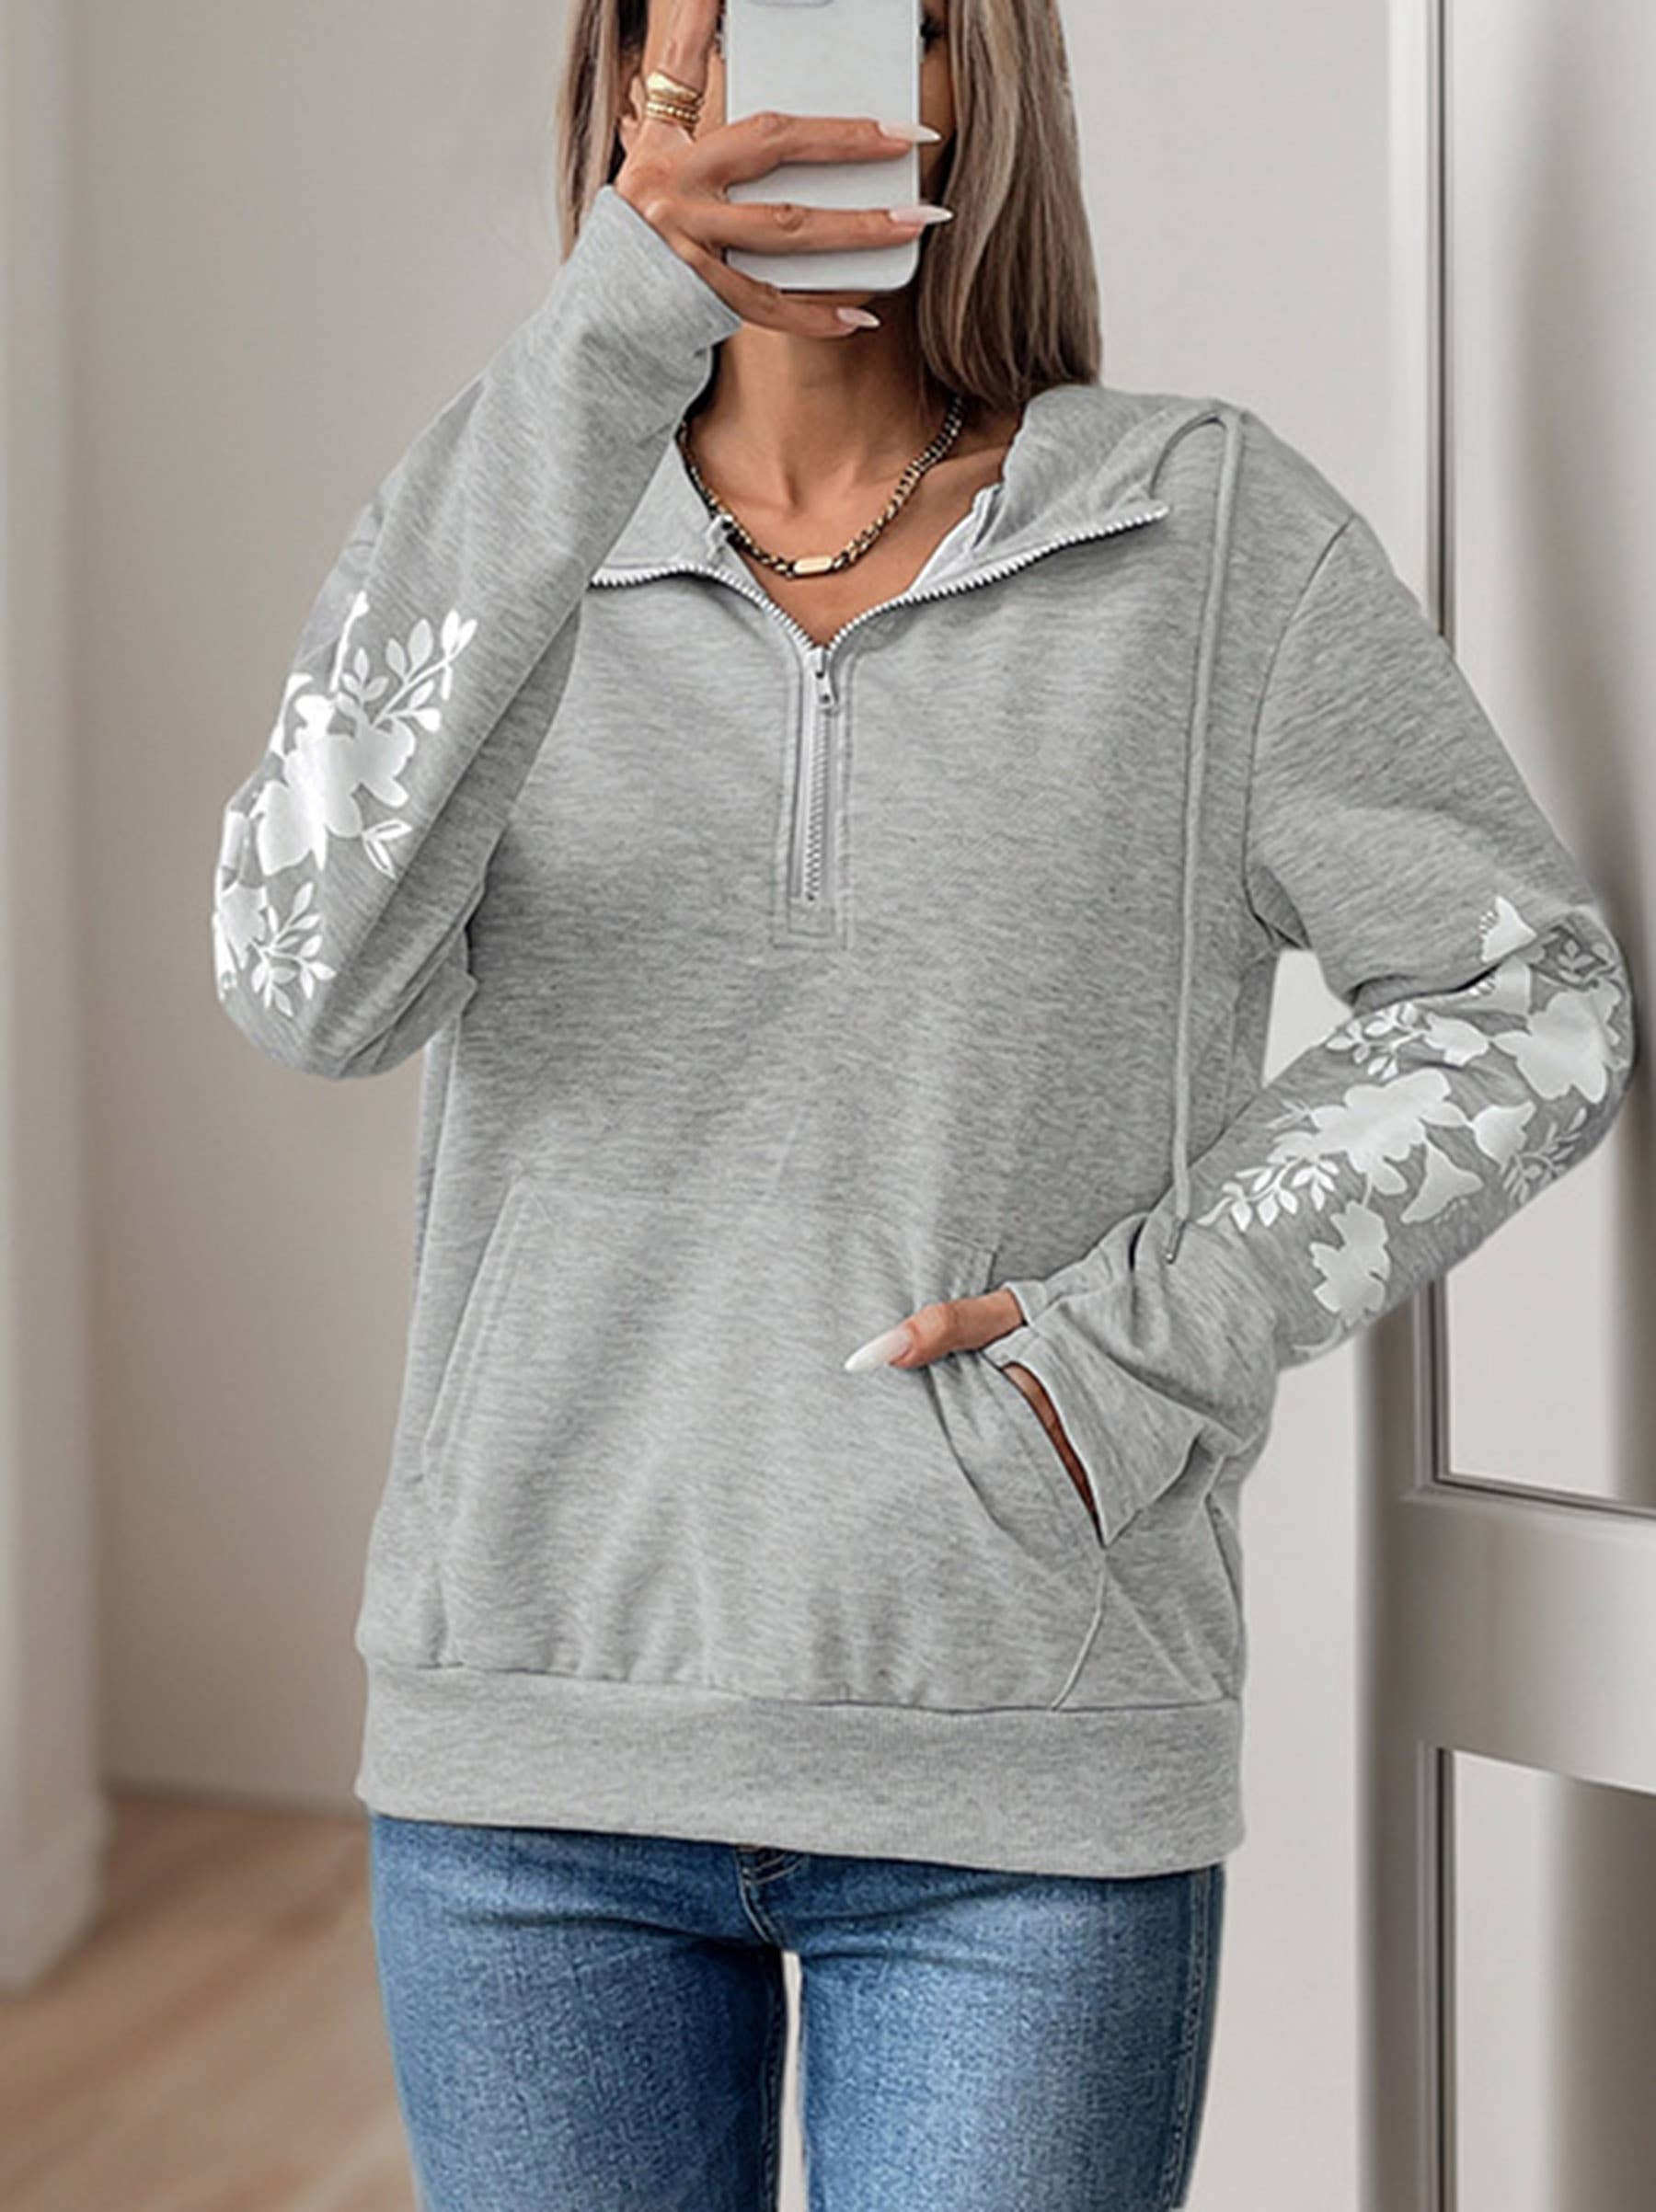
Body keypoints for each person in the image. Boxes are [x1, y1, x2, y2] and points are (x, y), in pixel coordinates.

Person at [209, 0, 1638, 2205]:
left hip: (1022, 1791)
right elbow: (304, 985)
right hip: (533, 1777)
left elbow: (1529, 1001)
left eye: (879, 19)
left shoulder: (1204, 530)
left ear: (978, 86)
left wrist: (1131, 1354)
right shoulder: (501, 527)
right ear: (632, 86)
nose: (790, 83)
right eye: (720, 27)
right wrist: (604, 336)